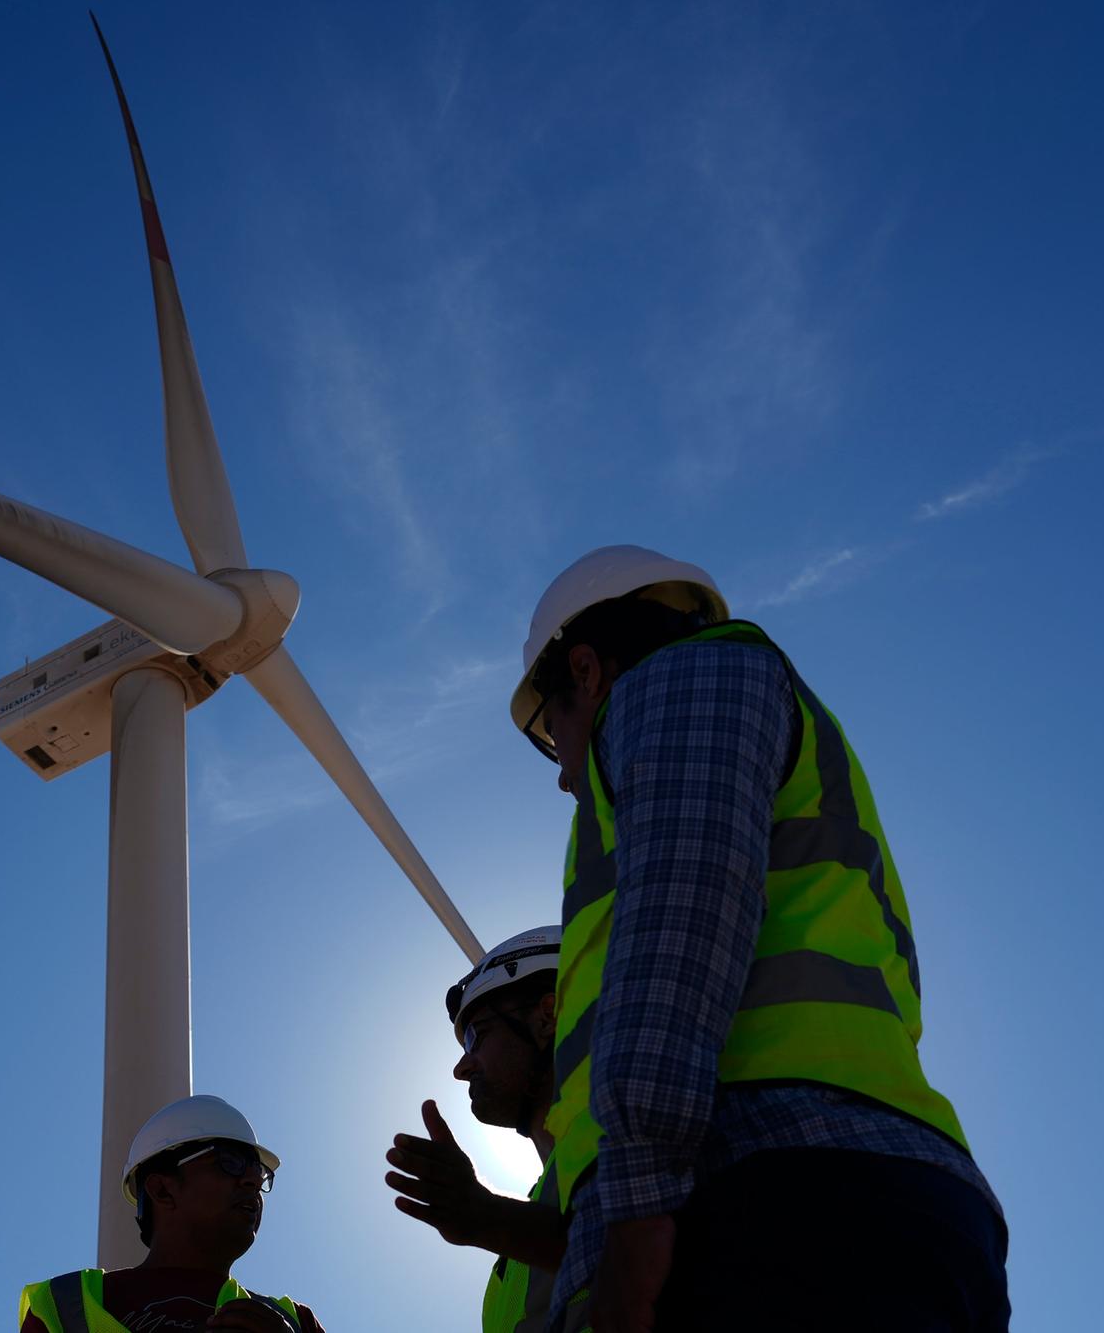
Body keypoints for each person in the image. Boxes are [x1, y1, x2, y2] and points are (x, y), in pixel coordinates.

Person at [507, 545, 1009, 1333]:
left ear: (586, 669)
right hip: (857, 1184)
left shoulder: (684, 681)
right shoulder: (789, 728)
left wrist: (637, 1214)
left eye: (546, 728)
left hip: (757, 1182)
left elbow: (685, 910)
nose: (562, 771)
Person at [385, 926, 571, 1333]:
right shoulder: (506, 1269)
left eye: (477, 1036)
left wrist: (485, 1216)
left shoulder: (645, 1134)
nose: (461, 1067)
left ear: (549, 1016)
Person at [19, 1095, 325, 1333]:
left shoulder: (295, 1321)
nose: (253, 1180)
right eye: (229, 1161)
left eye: (260, 1171)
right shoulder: (65, 1306)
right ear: (162, 1190)